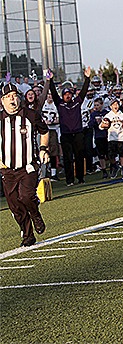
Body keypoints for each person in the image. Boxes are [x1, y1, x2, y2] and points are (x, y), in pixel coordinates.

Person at [0, 82, 50, 246]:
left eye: (14, 96)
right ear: (2, 101)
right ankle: (28, 235)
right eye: (8, 97)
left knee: (26, 196)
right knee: (15, 205)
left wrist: (43, 149)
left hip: (28, 166)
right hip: (7, 170)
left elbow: (45, 131)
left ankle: (35, 214)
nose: (12, 100)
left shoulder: (30, 114)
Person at [49, 67, 91, 186]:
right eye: (65, 94)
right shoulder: (60, 103)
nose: (67, 96)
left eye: (69, 94)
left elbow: (84, 90)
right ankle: (69, 180)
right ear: (62, 96)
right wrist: (50, 80)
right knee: (68, 158)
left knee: (79, 156)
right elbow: (53, 92)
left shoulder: (77, 102)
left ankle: (80, 178)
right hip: (66, 134)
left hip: (78, 133)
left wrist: (87, 78)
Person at [100, 97, 123, 179]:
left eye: (117, 104)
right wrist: (104, 125)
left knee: (122, 155)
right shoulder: (108, 115)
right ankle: (115, 166)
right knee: (111, 156)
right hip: (111, 138)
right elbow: (101, 126)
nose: (116, 106)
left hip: (120, 137)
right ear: (110, 106)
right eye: (114, 104)